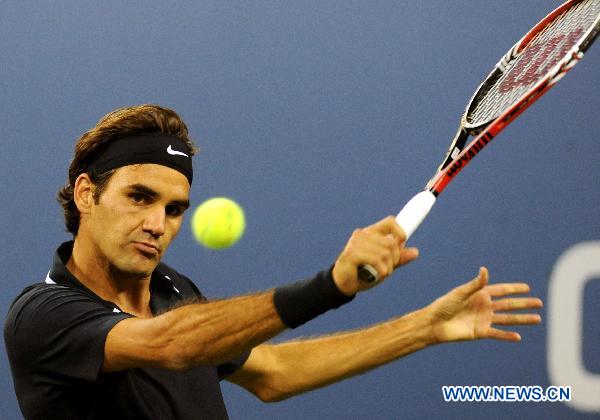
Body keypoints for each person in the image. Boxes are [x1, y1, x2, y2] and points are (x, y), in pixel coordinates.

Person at [4, 104, 543, 419]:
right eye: (139, 197)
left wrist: (422, 327)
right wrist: (331, 286)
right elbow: (170, 344)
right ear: (85, 194)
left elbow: (274, 373)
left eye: (174, 209)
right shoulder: (43, 314)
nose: (157, 224)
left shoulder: (174, 290)